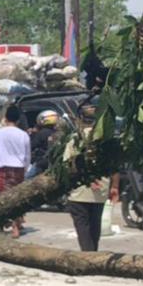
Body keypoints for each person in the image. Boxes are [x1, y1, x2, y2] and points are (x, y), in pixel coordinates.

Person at [65, 104, 120, 251]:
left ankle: (88, 255)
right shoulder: (106, 140)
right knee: (95, 225)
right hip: (100, 190)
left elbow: (69, 165)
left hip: (79, 192)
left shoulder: (75, 139)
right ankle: (93, 253)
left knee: (82, 226)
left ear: (81, 119)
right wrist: (114, 186)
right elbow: (115, 166)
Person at [0, 106, 31, 238]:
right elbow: (27, 156)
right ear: (18, 120)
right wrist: (25, 168)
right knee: (18, 197)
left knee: (4, 199)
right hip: (18, 170)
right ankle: (18, 223)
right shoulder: (23, 135)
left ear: (5, 118)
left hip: (3, 170)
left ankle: (11, 225)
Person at [26, 110, 59, 179]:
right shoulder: (57, 132)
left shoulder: (42, 133)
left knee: (26, 178)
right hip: (54, 162)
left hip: (42, 162)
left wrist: (32, 135)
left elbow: (32, 146)